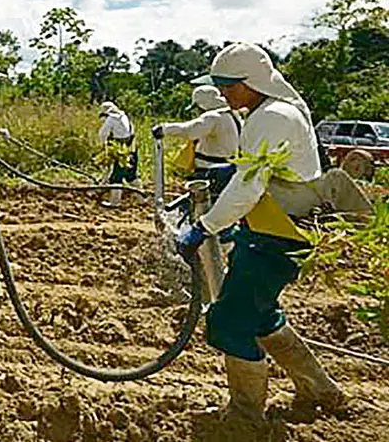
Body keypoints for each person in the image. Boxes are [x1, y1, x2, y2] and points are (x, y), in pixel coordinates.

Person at [177, 43, 344, 424]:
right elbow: (258, 172)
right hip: (275, 229)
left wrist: (204, 227)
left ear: (252, 82)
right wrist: (229, 175)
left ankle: (244, 416)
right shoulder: (266, 113)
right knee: (262, 316)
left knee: (230, 322)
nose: (222, 93)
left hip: (276, 236)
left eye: (228, 85)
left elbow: (249, 187)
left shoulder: (273, 117)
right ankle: (320, 390)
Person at [153, 86, 241, 196]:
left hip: (212, 170)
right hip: (228, 167)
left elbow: (189, 131)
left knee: (199, 203)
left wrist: (164, 129)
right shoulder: (232, 114)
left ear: (203, 103)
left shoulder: (212, 117)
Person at [98, 101, 137, 208]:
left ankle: (115, 202)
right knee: (131, 175)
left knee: (116, 177)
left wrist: (104, 146)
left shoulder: (111, 119)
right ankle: (142, 198)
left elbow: (102, 134)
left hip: (120, 150)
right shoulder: (124, 116)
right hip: (132, 148)